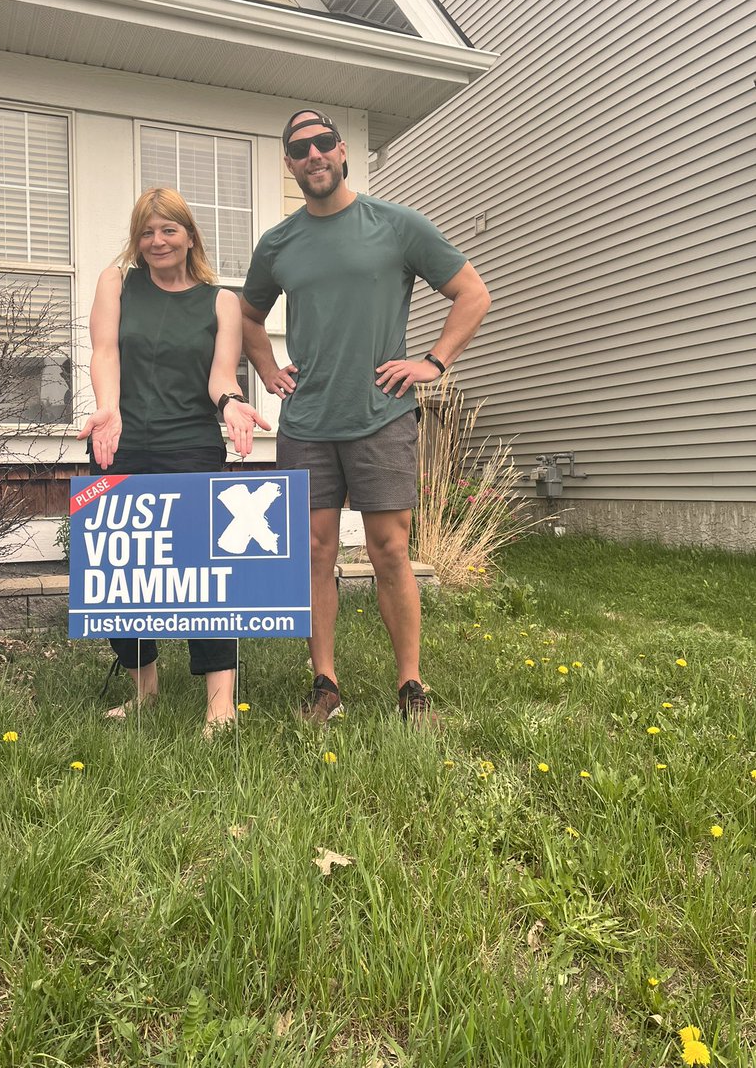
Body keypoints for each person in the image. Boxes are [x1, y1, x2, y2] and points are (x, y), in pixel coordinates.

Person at [241, 110, 490, 724]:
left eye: (323, 143)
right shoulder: (278, 243)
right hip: (308, 421)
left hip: (381, 414)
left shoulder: (395, 224)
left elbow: (472, 293)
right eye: (299, 148)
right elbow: (247, 317)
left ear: (342, 150)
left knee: (389, 549)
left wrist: (432, 361)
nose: (313, 155)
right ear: (289, 164)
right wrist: (270, 372)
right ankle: (324, 683)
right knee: (315, 551)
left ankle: (411, 686)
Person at [78, 187, 269, 735]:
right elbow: (106, 350)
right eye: (146, 231)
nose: (157, 241)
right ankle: (145, 689)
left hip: (191, 447)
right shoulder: (117, 283)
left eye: (168, 230)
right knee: (124, 570)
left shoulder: (221, 301)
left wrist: (232, 404)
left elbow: (220, 377)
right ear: (136, 240)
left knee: (205, 575)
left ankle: (220, 705)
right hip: (122, 443)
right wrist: (108, 409)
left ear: (189, 236)